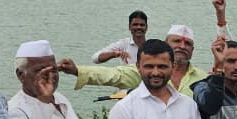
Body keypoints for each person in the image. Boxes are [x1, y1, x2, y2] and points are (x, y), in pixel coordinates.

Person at [59, 25, 207, 97]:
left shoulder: (204, 78)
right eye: (176, 41)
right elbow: (113, 75)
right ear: (165, 45)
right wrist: (77, 70)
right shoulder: (147, 72)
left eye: (187, 43)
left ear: (193, 50)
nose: (182, 46)